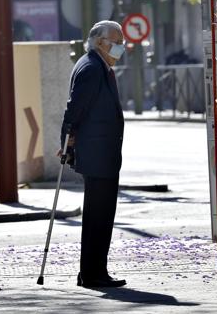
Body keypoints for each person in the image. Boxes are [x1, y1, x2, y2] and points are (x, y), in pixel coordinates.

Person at [59, 20, 126, 288]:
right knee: (98, 216)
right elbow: (74, 108)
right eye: (117, 42)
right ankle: (93, 273)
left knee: (101, 215)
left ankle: (94, 270)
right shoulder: (91, 68)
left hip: (102, 152)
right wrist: (66, 141)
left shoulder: (97, 65)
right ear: (100, 42)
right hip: (97, 154)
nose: (121, 47)